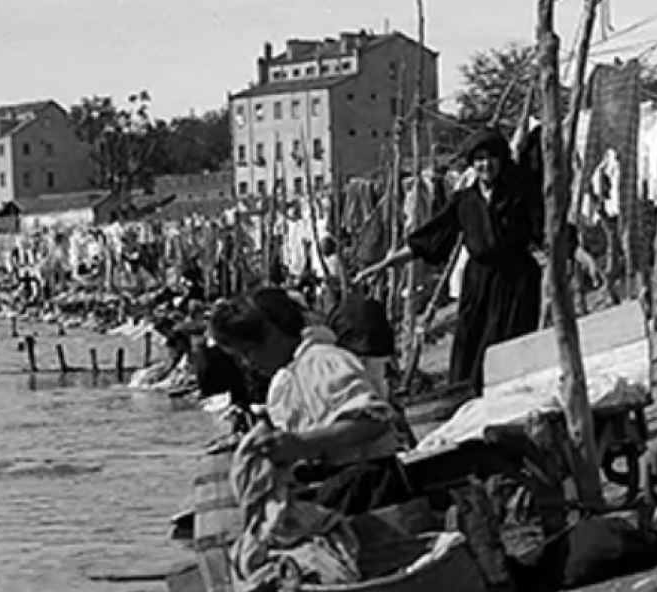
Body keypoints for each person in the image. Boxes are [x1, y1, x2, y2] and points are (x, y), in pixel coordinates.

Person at [357, 127, 542, 393]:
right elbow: (427, 240)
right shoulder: (464, 202)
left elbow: (546, 231)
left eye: (491, 157)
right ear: (472, 163)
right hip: (478, 286)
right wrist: (386, 263)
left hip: (516, 284)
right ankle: (468, 400)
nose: (486, 165)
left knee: (509, 346)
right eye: (479, 159)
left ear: (502, 159)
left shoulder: (519, 195)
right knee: (471, 347)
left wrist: (579, 254)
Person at [208, 287, 414, 516]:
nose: (248, 363)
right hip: (331, 486)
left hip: (367, 486)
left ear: (272, 335)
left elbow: (373, 422)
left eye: (249, 352)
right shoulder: (284, 380)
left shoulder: (324, 362)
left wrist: (304, 443)